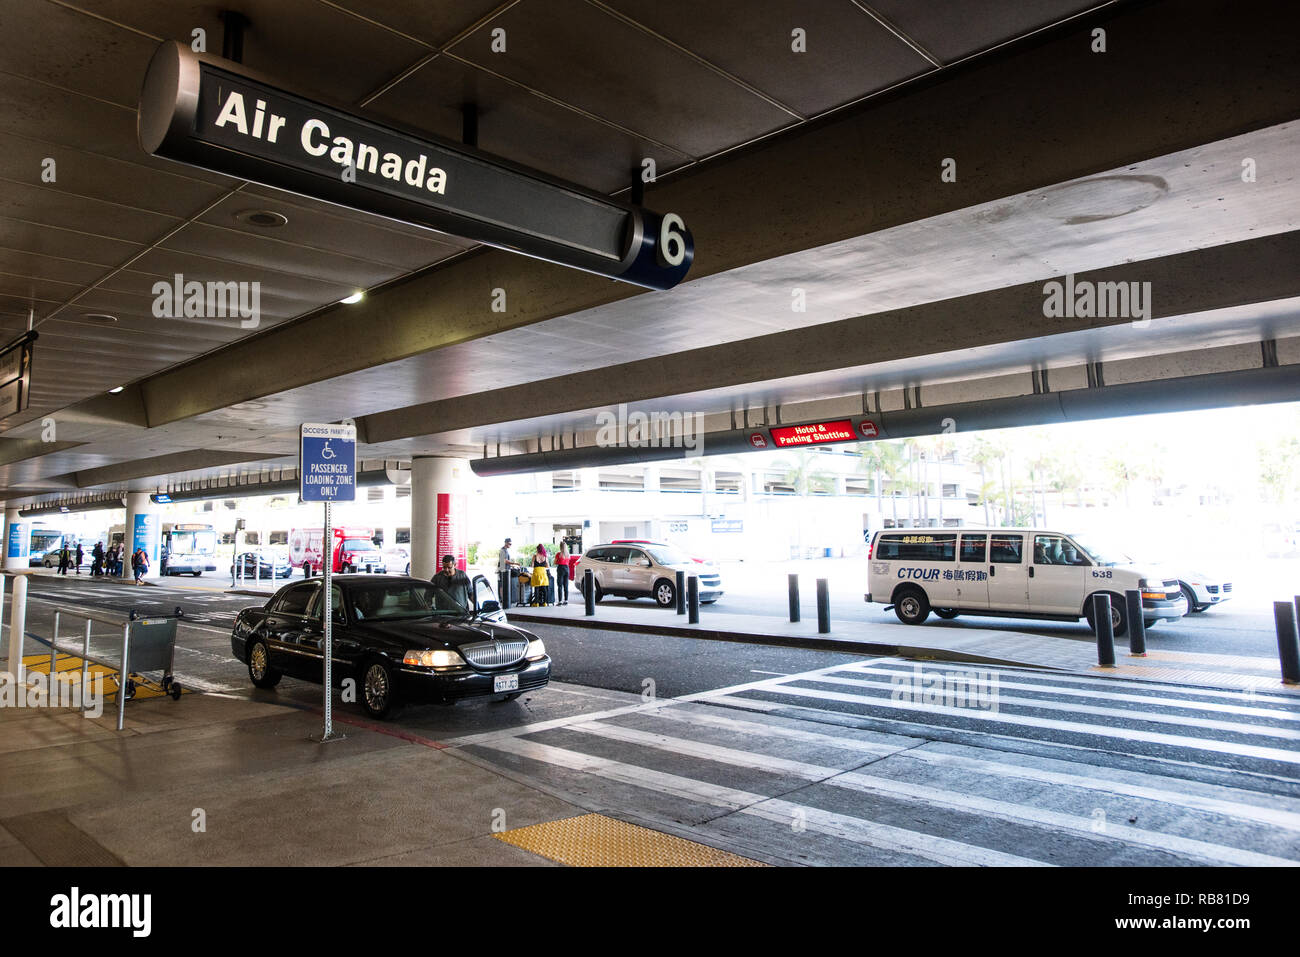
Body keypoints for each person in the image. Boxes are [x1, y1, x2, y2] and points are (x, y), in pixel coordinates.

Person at [498, 537, 522, 606]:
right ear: (505, 543)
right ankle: (502, 599)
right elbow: (504, 560)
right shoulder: (502, 550)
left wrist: (512, 566)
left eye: (511, 544)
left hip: (506, 569)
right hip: (502, 569)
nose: (510, 545)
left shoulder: (506, 550)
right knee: (502, 584)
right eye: (509, 544)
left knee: (505, 584)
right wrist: (514, 563)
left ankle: (505, 598)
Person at [555, 541, 571, 605]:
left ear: (560, 547)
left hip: (560, 569)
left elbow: (555, 562)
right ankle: (566, 600)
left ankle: (560, 601)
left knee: (560, 585)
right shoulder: (568, 554)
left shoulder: (558, 554)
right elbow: (568, 562)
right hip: (567, 569)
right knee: (566, 585)